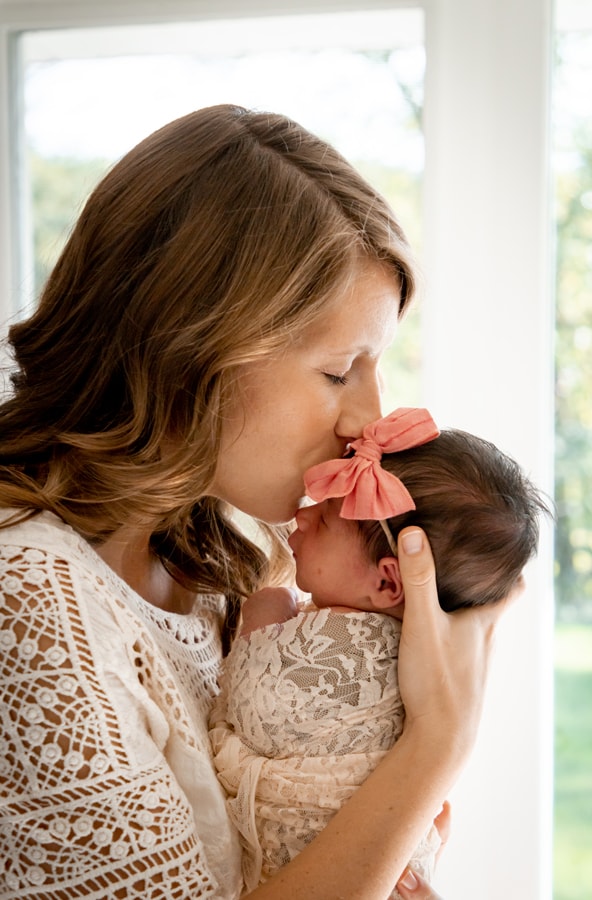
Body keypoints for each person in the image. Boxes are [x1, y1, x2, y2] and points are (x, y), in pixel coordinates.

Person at [0, 102, 516, 900]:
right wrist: (435, 749)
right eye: (340, 369)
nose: (370, 419)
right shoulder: (32, 600)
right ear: (192, 345)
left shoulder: (217, 565)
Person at [210, 407, 550, 894]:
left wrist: (271, 603)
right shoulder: (443, 669)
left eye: (325, 519)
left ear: (389, 579)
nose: (301, 513)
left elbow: (248, 697)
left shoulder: (338, 647)